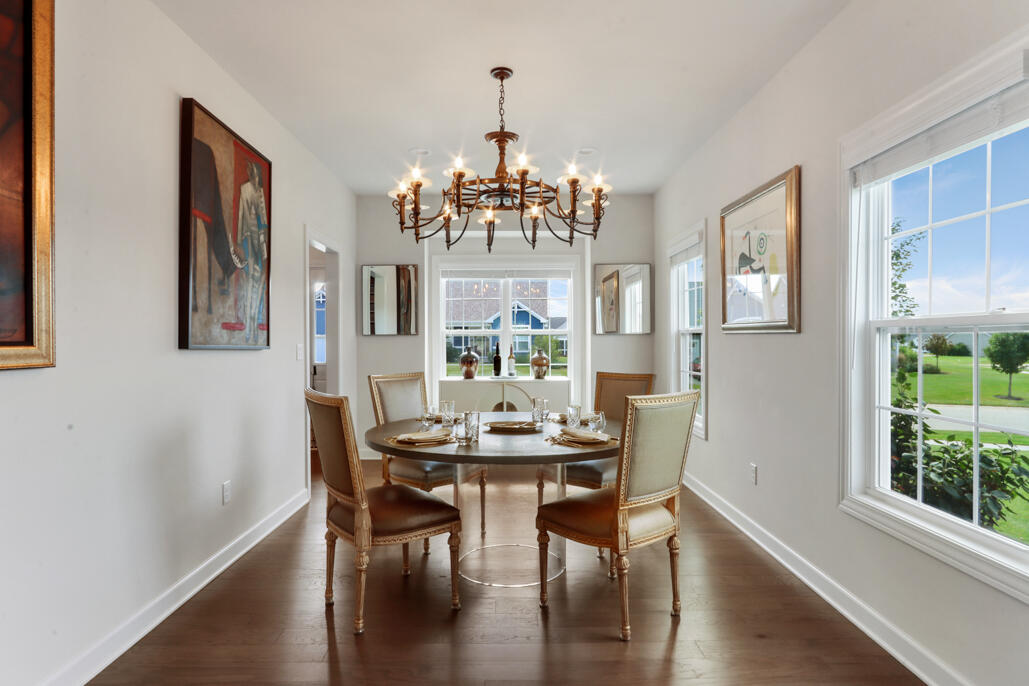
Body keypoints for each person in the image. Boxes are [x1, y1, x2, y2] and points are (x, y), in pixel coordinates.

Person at [236, 161, 268, 343]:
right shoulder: (245, 189)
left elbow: (264, 219)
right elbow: (241, 214)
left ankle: (255, 324)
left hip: (261, 242)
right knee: (250, 282)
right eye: (250, 172)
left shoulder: (261, 190)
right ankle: (249, 329)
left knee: (260, 283)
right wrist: (240, 239)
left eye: (254, 173)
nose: (252, 175)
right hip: (250, 239)